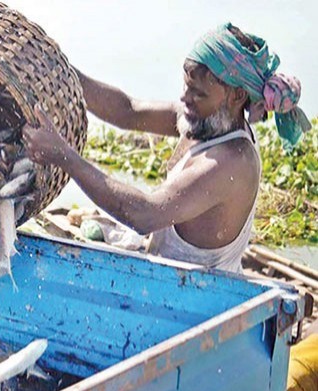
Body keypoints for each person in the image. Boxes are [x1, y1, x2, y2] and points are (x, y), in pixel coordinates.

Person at [23, 22, 310, 273]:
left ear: (236, 96)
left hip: (197, 296)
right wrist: (64, 71)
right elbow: (128, 111)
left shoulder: (231, 162)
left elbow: (145, 215)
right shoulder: (205, 118)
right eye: (186, 86)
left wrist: (65, 156)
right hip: (163, 269)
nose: (185, 98)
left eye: (198, 92)